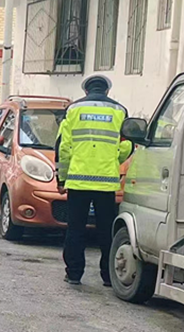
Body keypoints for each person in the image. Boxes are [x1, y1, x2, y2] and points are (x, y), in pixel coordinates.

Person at [56, 75, 133, 287]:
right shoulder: (119, 111)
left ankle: (74, 274)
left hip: (78, 182)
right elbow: (127, 145)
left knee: (75, 229)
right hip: (106, 183)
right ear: (107, 91)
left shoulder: (73, 110)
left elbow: (63, 147)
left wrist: (62, 178)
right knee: (106, 231)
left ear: (86, 91)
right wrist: (113, 160)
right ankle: (108, 276)